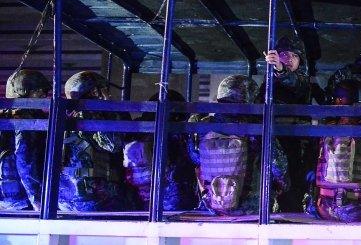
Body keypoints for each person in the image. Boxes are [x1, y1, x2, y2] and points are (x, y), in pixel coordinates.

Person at [191, 75, 289, 215]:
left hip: (212, 207)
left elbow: (195, 159)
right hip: (251, 208)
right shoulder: (255, 128)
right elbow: (277, 166)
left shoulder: (202, 126)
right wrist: (284, 185)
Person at [59, 71, 137, 212]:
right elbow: (113, 144)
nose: (108, 93)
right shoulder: (92, 115)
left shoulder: (69, 116)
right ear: (95, 92)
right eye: (104, 89)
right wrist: (111, 109)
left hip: (67, 195)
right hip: (94, 196)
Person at [123, 90, 197, 212]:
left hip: (141, 200)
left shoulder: (136, 130)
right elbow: (190, 160)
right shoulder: (174, 134)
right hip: (172, 200)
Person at [262, 35, 313, 212]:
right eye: (284, 54)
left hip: (295, 144)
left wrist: (280, 68)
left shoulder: (303, 81)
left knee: (292, 192)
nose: (290, 59)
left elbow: (295, 83)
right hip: (272, 140)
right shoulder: (268, 83)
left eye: (295, 55)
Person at [309, 80, 361, 222]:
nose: (338, 100)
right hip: (324, 205)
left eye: (343, 96)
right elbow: (317, 155)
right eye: (337, 96)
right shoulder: (329, 127)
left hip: (355, 205)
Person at [0, 70, 51, 210]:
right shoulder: (25, 116)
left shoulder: (9, 114)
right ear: (22, 91)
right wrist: (36, 198)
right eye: (37, 90)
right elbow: (24, 158)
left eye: (44, 91)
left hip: (12, 196)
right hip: (24, 197)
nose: (43, 95)